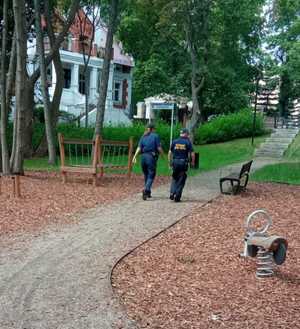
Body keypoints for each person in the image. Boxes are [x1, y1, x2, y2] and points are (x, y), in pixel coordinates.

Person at [132, 123, 164, 200]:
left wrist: (134, 156)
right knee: (151, 175)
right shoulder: (156, 136)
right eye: (155, 129)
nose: (155, 130)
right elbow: (159, 148)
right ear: (152, 129)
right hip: (151, 157)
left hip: (143, 157)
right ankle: (146, 190)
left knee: (146, 174)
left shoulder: (143, 136)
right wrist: (163, 155)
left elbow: (139, 148)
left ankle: (148, 192)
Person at [168, 128, 195, 202]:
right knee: (182, 179)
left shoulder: (174, 141)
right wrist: (192, 162)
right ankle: (177, 195)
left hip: (175, 162)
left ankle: (172, 192)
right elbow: (192, 154)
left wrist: (170, 162)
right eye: (188, 134)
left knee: (174, 177)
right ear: (186, 134)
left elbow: (170, 153)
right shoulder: (188, 142)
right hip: (183, 163)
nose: (188, 135)